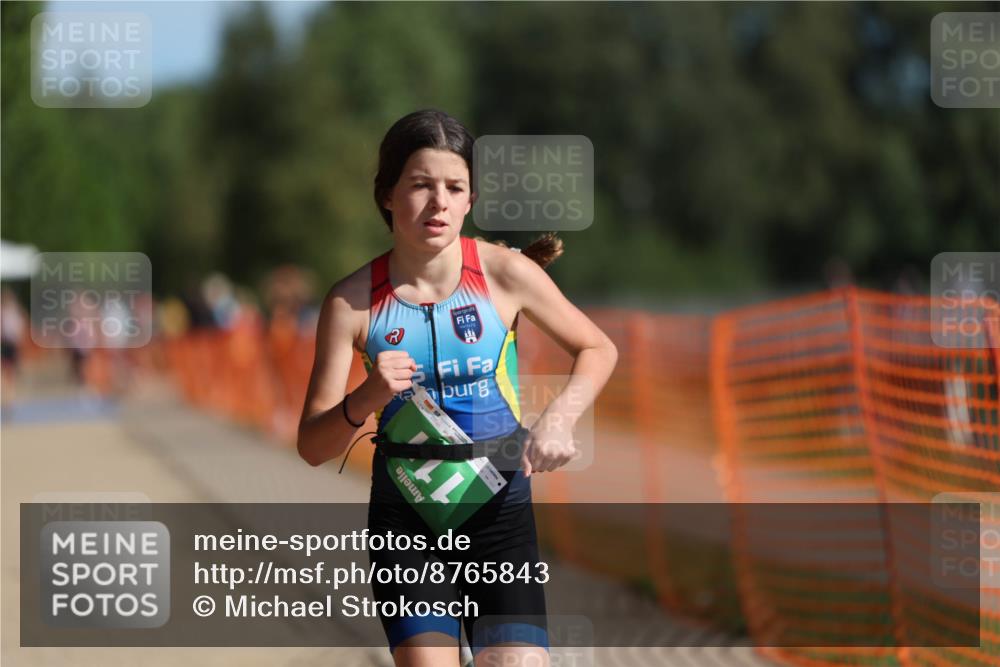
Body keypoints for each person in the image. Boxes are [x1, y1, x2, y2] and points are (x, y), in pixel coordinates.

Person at [297, 109, 618, 667]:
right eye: (420, 185)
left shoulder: (506, 275)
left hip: (499, 517)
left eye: (454, 187)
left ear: (470, 200)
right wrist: (368, 396)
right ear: (388, 196)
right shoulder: (351, 303)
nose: (438, 202)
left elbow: (598, 348)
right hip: (407, 527)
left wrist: (561, 417)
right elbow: (312, 446)